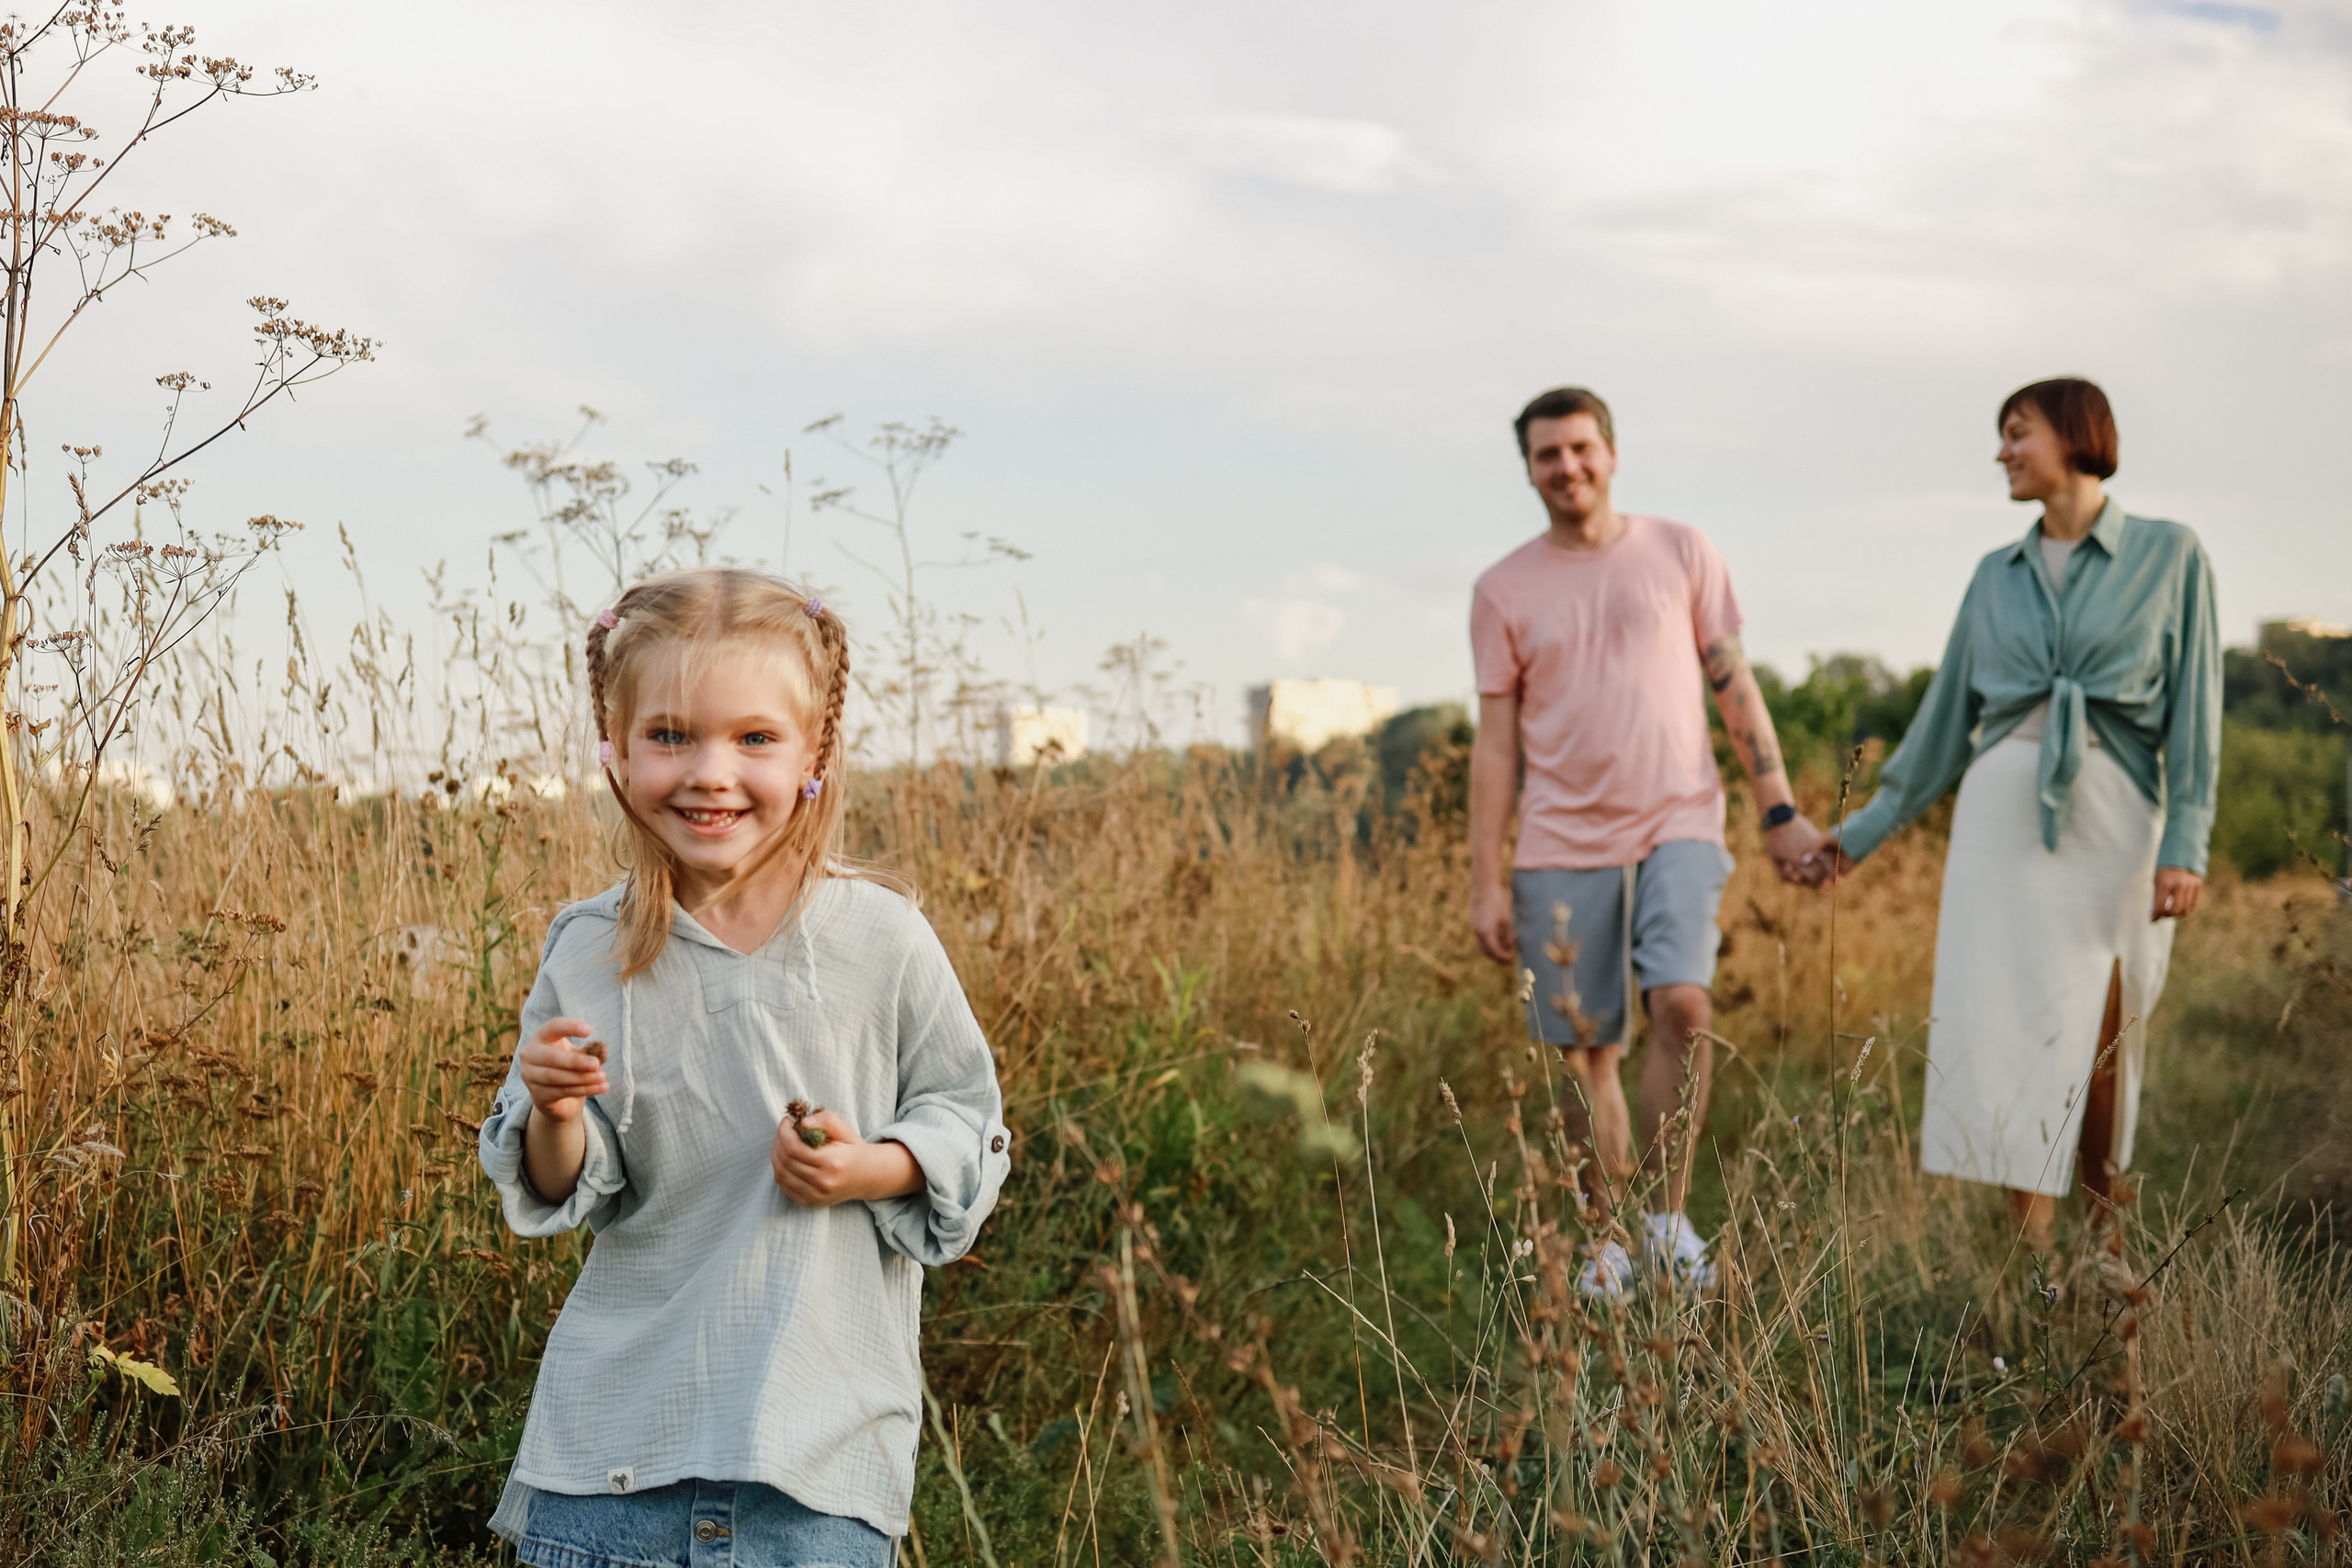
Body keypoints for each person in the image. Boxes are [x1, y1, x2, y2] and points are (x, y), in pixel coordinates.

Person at [476, 569, 1009, 1565]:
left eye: (754, 738)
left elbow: (966, 1116)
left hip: (816, 1474)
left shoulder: (878, 937)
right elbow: (566, 1184)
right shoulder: (588, 949)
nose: (709, 773)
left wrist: (875, 1166)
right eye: (670, 735)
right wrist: (552, 1108)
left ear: (814, 753)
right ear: (617, 751)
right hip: (609, 1469)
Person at [1804, 378, 2219, 1250]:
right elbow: (1943, 726)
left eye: (2016, 433)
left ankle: (2107, 1252)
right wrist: (1861, 835)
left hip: (2118, 816)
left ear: (2073, 435)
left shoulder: (2171, 555)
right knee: (2002, 1040)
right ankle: (2030, 1281)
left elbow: (2196, 717)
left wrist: (2186, 843)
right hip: (1999, 820)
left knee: (2110, 1037)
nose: (2001, 452)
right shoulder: (1994, 576)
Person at [1469, 386, 1825, 1295]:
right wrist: (1483, 881)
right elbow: (1497, 745)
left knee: (1683, 1007)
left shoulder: (1679, 551)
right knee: (1587, 1047)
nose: (1567, 467)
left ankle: (1665, 1221)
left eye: (1581, 448)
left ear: (1612, 454)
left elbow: (1733, 685)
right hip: (1559, 834)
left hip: (1679, 817)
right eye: (1548, 455)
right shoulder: (1502, 589)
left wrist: (1778, 812)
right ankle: (1604, 1242)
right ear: (1529, 470)